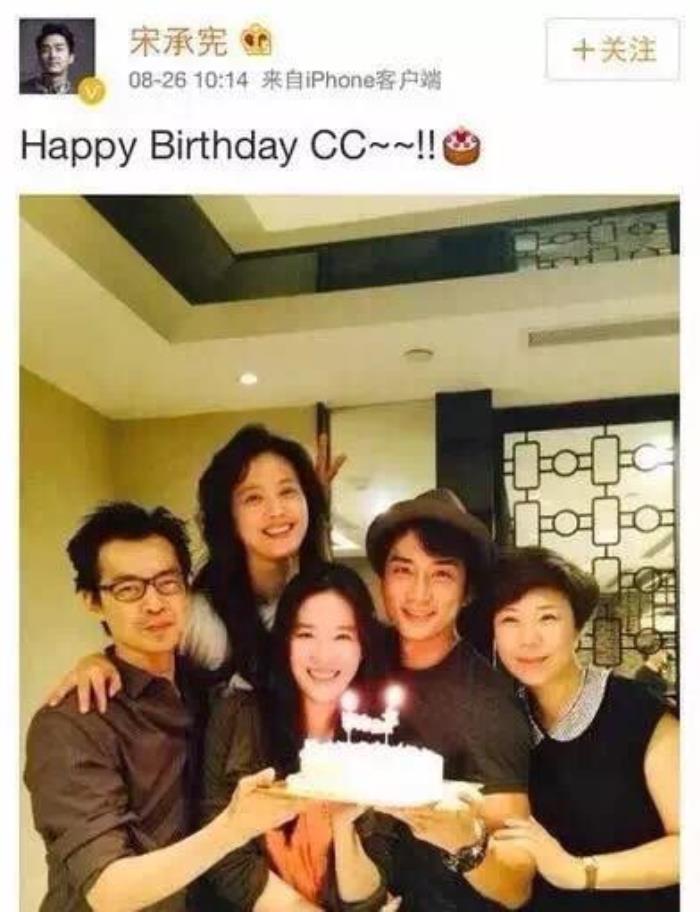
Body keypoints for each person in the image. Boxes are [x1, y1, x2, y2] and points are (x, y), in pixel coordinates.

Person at [24, 502, 305, 911]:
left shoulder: (208, 689)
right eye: (128, 589)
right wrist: (233, 827)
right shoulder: (70, 725)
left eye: (167, 582)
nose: (154, 604)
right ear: (92, 601)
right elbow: (109, 891)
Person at [47, 424, 339, 709]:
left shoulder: (322, 593)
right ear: (226, 516)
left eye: (288, 492)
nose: (277, 510)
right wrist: (96, 663)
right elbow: (141, 657)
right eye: (253, 498)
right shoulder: (204, 619)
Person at [365, 489, 534, 910]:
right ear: (382, 579)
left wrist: (465, 842)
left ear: (467, 591)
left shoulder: (487, 704)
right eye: (403, 570)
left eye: (441, 574)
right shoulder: (360, 660)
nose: (419, 594)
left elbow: (517, 884)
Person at [488, 546, 679, 912]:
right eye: (510, 620)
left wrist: (579, 872)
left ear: (577, 628)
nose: (528, 639)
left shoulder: (639, 712)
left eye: (547, 618)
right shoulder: (503, 719)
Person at [199, 562, 395, 911]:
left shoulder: (378, 740)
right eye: (306, 635)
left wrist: (344, 825)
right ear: (286, 641)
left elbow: (372, 894)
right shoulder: (238, 717)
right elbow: (224, 857)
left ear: (363, 645)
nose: (323, 655)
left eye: (342, 636)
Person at [20, 21, 76, 95]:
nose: (52, 55)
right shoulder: (21, 90)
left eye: (59, 49)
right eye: (45, 50)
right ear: (39, 57)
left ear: (71, 57)